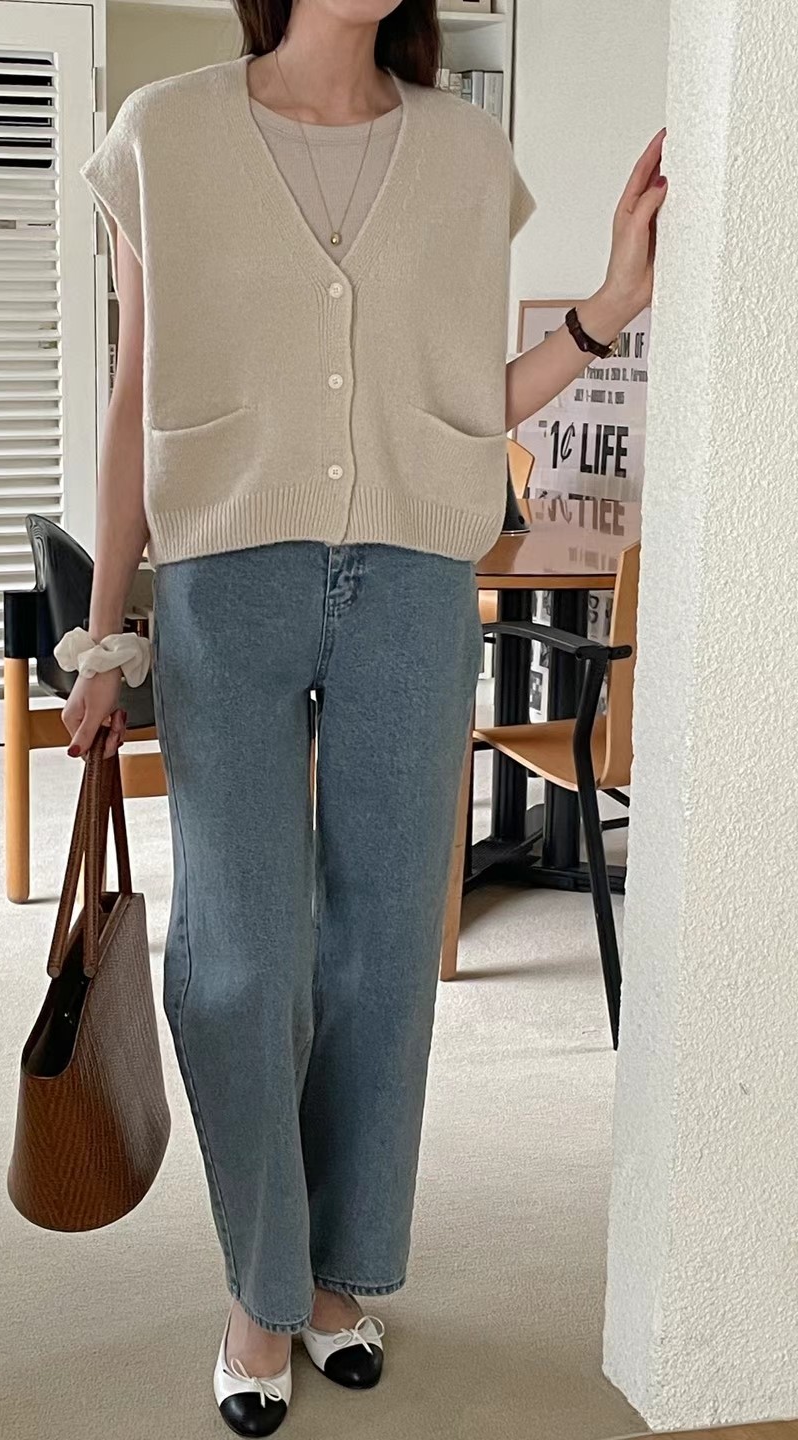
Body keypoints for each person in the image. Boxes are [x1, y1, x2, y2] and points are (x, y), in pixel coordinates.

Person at [62, 2, 666, 1432]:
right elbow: (136, 392)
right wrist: (107, 630)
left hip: (412, 585)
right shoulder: (166, 135)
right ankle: (261, 1288)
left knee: (387, 949)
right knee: (242, 955)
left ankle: (340, 1277)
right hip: (227, 585)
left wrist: (607, 309)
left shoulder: (464, 155)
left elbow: (470, 403)